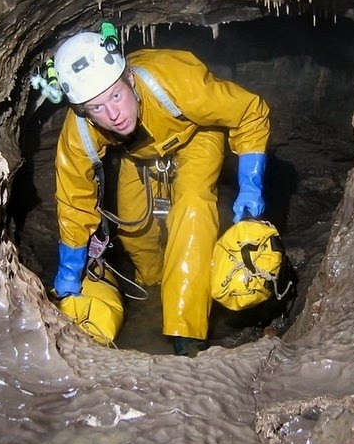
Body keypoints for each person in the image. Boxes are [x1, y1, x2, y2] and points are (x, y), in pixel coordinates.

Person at [51, 27, 270, 356]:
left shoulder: (177, 82)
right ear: (83, 110)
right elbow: (73, 200)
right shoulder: (79, 131)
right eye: (96, 108)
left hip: (195, 136)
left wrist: (250, 186)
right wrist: (69, 269)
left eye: (115, 96)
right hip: (136, 154)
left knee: (193, 209)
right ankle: (153, 290)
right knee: (132, 231)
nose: (113, 114)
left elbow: (250, 112)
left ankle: (187, 334)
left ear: (130, 81)